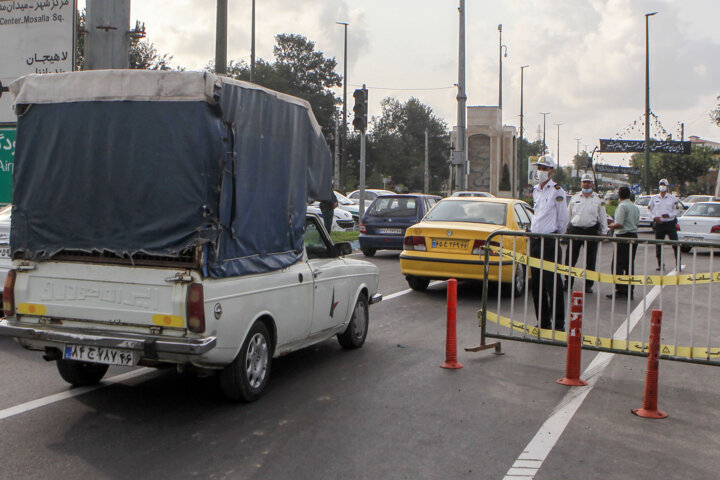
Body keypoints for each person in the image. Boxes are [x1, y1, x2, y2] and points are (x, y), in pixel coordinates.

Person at [529, 155, 569, 331]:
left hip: (550, 241)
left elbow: (563, 217)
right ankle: (543, 321)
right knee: (537, 284)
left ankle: (558, 324)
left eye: (545, 169)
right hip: (535, 240)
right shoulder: (536, 190)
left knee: (553, 284)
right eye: (540, 168)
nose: (541, 172)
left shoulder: (557, 190)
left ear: (552, 171)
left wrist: (556, 234)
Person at [564, 173, 608, 293]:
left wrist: (604, 232)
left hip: (591, 230)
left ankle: (588, 285)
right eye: (584, 182)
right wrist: (565, 229)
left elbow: (603, 216)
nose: (586, 184)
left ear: (592, 184)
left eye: (588, 182)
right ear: (581, 183)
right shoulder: (575, 197)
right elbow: (568, 214)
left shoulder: (598, 199)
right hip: (575, 230)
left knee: (590, 260)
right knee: (570, 259)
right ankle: (568, 282)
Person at [608, 186, 640, 298]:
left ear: (619, 195)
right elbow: (637, 223)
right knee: (629, 264)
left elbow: (619, 223)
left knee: (617, 265)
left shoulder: (622, 206)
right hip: (633, 235)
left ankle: (621, 289)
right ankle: (630, 290)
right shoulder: (634, 207)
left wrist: (611, 226)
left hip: (622, 236)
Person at [648, 178, 680, 271]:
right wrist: (654, 217)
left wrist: (669, 215)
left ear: (667, 187)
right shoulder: (654, 198)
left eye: (664, 185)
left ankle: (678, 264)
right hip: (659, 224)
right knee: (659, 245)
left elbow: (677, 210)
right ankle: (660, 264)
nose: (662, 186)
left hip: (670, 223)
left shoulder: (672, 198)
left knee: (675, 244)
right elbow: (649, 210)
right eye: (661, 184)